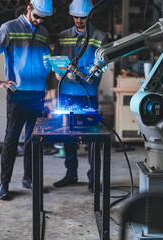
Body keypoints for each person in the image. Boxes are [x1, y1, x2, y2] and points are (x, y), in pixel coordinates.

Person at [0, 0, 53, 200]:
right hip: (18, 94)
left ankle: (28, 178)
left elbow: (45, 61)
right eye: (37, 16)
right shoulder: (9, 28)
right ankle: (4, 184)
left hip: (38, 94)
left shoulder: (43, 32)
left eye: (43, 18)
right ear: (29, 8)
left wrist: (51, 67)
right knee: (11, 141)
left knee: (33, 140)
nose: (39, 21)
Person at [51, 0, 108, 192]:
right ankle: (71, 174)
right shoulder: (63, 36)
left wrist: (93, 75)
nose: (79, 21)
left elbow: (104, 65)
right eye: (76, 17)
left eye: (82, 18)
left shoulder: (100, 36)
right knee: (68, 136)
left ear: (90, 16)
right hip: (66, 92)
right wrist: (57, 72)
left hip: (87, 93)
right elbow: (55, 59)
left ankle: (94, 178)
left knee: (92, 137)